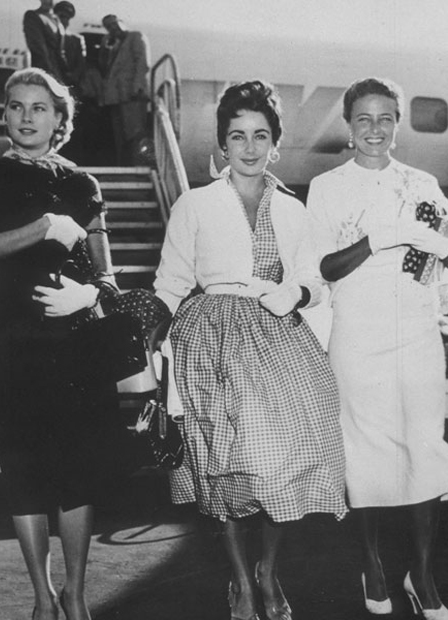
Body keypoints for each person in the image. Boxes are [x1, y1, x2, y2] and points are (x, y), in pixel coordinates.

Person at [153, 80, 347, 620]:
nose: (249, 147)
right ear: (222, 144)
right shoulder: (195, 204)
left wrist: (296, 293)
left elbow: (315, 280)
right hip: (210, 342)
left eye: (261, 135)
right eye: (237, 135)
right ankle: (241, 580)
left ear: (275, 144)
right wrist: (153, 344)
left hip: (276, 335)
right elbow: (170, 283)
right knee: (225, 466)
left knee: (277, 464)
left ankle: (268, 569)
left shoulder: (292, 208)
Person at [0, 67, 137, 620]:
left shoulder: (85, 183)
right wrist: (42, 227)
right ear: (5, 114)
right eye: (16, 106)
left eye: (39, 107)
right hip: (7, 336)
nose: (26, 116)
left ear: (60, 118)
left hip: (74, 336)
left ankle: (76, 594)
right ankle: (42, 597)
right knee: (24, 470)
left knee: (77, 471)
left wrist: (89, 296)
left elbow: (107, 275)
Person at [307, 77, 448, 619]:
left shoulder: (423, 182)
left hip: (416, 331)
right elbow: (325, 268)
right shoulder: (327, 186)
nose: (374, 129)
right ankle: (372, 564)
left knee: (424, 452)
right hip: (358, 334)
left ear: (397, 123)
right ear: (348, 125)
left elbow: (435, 260)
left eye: (385, 118)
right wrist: (378, 238)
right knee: (364, 455)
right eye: (363, 118)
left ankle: (423, 574)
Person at [99, 14, 150, 165]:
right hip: (116, 96)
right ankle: (124, 164)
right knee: (120, 135)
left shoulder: (135, 36)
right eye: (109, 27)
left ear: (122, 22)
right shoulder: (113, 45)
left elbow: (142, 62)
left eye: (114, 24)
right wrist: (105, 48)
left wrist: (138, 87)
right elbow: (104, 68)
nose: (113, 28)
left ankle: (137, 164)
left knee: (135, 132)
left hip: (132, 94)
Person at [23, 0, 67, 83]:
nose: (49, 1)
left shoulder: (56, 19)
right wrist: (49, 72)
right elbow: (38, 47)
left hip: (57, 71)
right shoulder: (33, 16)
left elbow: (60, 50)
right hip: (43, 70)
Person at [53, 1, 85, 93]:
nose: (63, 21)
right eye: (61, 16)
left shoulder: (76, 39)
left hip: (69, 83)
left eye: (67, 18)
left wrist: (72, 77)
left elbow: (81, 63)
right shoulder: (47, 37)